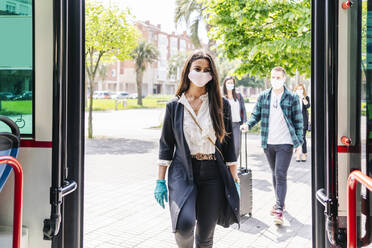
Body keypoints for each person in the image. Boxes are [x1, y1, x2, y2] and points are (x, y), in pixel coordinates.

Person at [154, 50, 240, 248]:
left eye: (207, 70)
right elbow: (166, 145)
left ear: (212, 74)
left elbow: (228, 148)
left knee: (205, 235)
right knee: (183, 228)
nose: (202, 73)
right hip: (183, 171)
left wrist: (234, 180)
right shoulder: (174, 106)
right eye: (197, 68)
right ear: (188, 71)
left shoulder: (221, 105)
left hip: (213, 174)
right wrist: (160, 180)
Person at [241, 66, 303, 225]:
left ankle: (279, 209)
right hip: (268, 143)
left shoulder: (292, 97)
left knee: (280, 174)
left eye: (278, 78)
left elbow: (298, 122)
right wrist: (248, 124)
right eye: (273, 77)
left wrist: (299, 143)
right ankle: (279, 201)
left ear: (284, 79)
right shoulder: (263, 97)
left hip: (286, 143)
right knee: (275, 174)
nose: (275, 80)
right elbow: (256, 114)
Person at [222, 76, 247, 159]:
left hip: (237, 125)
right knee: (225, 147)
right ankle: (226, 167)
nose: (230, 84)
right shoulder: (222, 98)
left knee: (236, 146)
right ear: (225, 84)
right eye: (228, 83)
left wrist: (244, 123)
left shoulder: (238, 96)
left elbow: (243, 109)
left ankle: (234, 164)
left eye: (232, 83)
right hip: (225, 125)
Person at [293, 83, 310, 162]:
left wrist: (303, 98)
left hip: (303, 120)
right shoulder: (293, 98)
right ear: (295, 90)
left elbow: (307, 106)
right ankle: (297, 154)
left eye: (301, 89)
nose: (300, 90)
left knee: (302, 138)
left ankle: (304, 154)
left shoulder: (306, 98)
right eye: (298, 89)